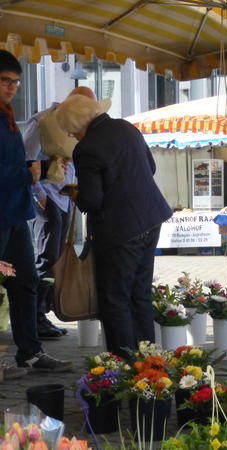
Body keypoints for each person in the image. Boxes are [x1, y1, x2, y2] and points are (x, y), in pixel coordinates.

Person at [55, 94, 172, 360]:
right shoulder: (126, 127)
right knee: (140, 293)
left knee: (115, 298)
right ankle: (147, 359)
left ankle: (123, 362)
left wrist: (78, 195)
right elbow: (150, 167)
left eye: (71, 130)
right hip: (151, 218)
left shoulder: (86, 149)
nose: (72, 136)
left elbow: (92, 200)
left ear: (77, 124)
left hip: (119, 230)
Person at [0, 50, 72, 372]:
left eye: (15, 82)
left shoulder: (8, 117)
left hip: (15, 213)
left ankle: (30, 352)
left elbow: (14, 165)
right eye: (4, 81)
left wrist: (40, 169)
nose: (12, 87)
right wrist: (30, 173)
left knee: (25, 281)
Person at [23, 86, 96, 339]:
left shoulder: (75, 124)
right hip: (47, 199)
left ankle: (42, 314)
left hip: (65, 199)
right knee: (47, 258)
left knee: (56, 259)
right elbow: (27, 161)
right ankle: (35, 318)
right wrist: (40, 197)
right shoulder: (43, 120)